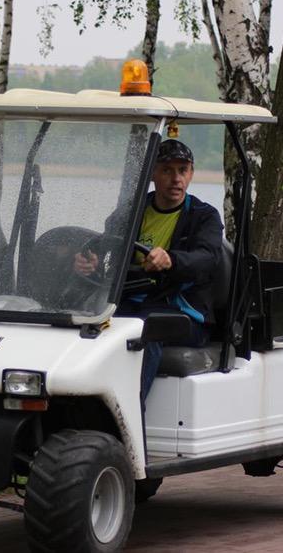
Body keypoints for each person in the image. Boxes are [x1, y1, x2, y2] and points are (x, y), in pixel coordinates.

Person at [75, 139, 223, 404]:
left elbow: (207, 258)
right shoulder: (132, 211)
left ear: (191, 173)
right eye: (167, 170)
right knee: (86, 323)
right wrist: (89, 263)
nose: (176, 179)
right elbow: (106, 247)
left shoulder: (204, 216)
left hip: (182, 312)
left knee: (147, 330)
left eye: (182, 170)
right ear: (152, 173)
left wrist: (171, 260)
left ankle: (131, 411)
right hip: (131, 304)